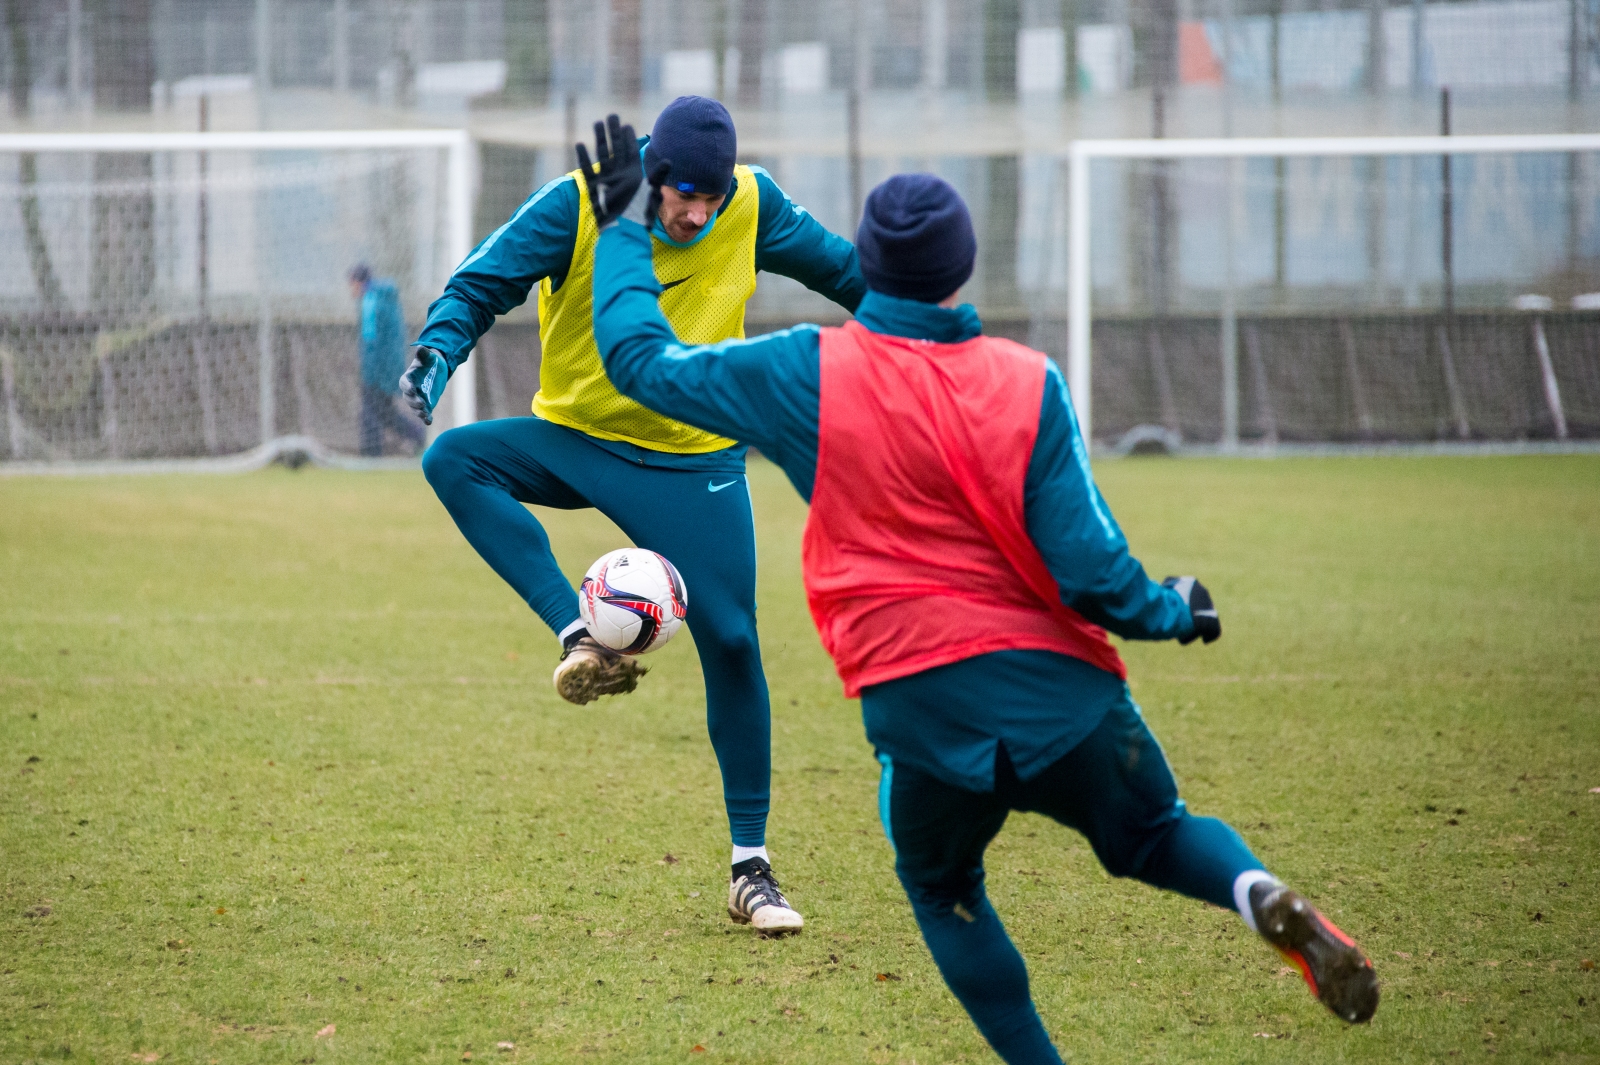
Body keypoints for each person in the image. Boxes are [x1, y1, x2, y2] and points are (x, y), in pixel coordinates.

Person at [582, 139, 1380, 1061]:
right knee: (1156, 833)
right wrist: (1174, 607)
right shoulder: (1028, 381)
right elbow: (1093, 572)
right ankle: (1259, 898)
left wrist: (616, 230)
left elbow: (642, 362)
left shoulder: (805, 371)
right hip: (1062, 697)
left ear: (866, 267)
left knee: (942, 884)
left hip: (918, 703)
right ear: (962, 270)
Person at [398, 99, 866, 934]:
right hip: (576, 438)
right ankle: (578, 635)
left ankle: (749, 868)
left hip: (696, 460)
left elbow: (848, 273)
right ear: (649, 171)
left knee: (733, 641)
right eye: (682, 193)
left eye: (710, 197)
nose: (698, 212)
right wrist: (437, 349)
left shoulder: (752, 203)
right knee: (454, 460)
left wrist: (926, 332)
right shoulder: (579, 202)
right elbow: (481, 282)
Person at [350, 264, 425, 457]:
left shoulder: (370, 302)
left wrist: (369, 374)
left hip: (379, 370)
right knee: (386, 414)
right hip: (391, 367)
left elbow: (371, 342)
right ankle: (418, 436)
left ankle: (371, 455)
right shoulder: (385, 299)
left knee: (370, 413)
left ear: (358, 283)